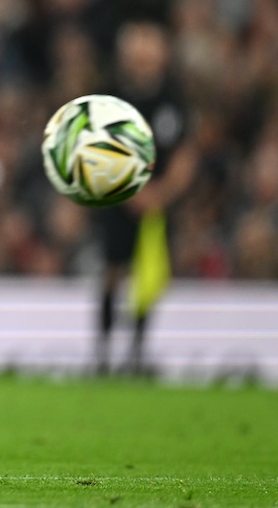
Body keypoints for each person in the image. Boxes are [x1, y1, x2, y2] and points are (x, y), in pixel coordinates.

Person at [92, 21, 198, 376]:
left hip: (158, 202)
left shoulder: (174, 100)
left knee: (146, 274)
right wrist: (130, 190)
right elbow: (99, 151)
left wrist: (162, 193)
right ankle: (103, 354)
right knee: (112, 270)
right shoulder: (111, 97)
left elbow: (185, 154)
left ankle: (136, 353)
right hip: (120, 198)